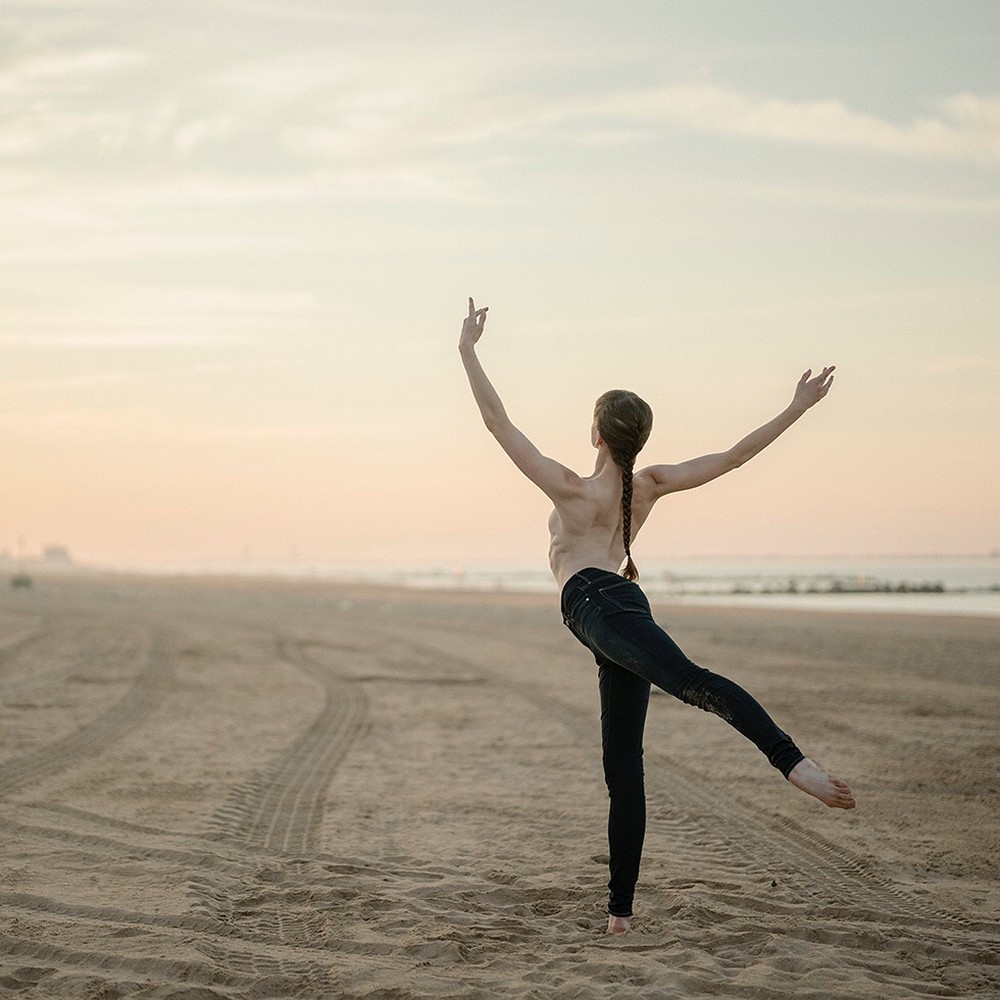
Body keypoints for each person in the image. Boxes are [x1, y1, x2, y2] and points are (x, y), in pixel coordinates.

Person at [459, 297, 856, 935]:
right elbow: (731, 458)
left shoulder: (573, 487)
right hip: (616, 609)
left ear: (597, 433)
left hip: (594, 604)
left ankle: (794, 764)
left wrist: (467, 350)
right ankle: (620, 914)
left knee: (692, 682)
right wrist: (796, 407)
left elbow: (496, 419)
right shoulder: (649, 484)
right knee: (624, 768)